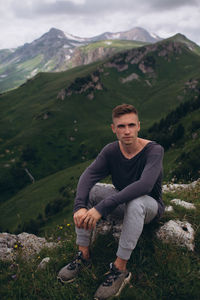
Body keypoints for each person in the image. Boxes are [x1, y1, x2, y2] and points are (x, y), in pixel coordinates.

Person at [58, 103, 164, 299]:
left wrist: (102, 207)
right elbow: (87, 176)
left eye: (131, 125)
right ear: (113, 129)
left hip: (149, 207)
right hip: (124, 204)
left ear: (139, 126)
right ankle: (84, 256)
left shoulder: (154, 150)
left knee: (136, 202)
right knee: (93, 190)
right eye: (121, 126)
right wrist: (80, 207)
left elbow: (145, 186)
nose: (127, 131)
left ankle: (120, 269)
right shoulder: (111, 151)